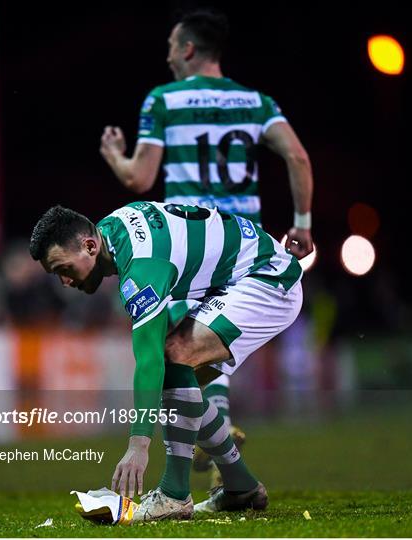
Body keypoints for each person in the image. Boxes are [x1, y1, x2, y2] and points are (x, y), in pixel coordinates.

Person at [99, 7, 314, 483]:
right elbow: (297, 155)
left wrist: (115, 156)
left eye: (173, 46)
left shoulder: (163, 100)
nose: (168, 55)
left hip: (183, 244)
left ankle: (201, 460)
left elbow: (140, 177)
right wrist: (302, 223)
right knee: (204, 348)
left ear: (190, 49)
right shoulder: (256, 102)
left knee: (179, 347)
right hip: (243, 242)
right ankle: (223, 451)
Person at [29, 202, 303, 520]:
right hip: (241, 274)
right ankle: (240, 486)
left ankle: (174, 495)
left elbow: (149, 362)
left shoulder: (142, 267)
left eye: (64, 269)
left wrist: (138, 447)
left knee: (174, 359)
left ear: (90, 246)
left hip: (269, 280)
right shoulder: (113, 230)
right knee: (178, 390)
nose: (65, 281)